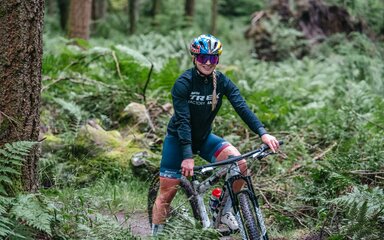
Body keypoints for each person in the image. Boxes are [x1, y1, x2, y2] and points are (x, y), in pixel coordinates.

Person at [151, 34, 280, 235]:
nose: (208, 63)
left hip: (204, 139)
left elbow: (241, 106)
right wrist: (187, 157)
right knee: (166, 194)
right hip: (178, 142)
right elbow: (183, 121)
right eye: (203, 58)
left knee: (240, 165)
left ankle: (225, 211)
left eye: (213, 58)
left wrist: (263, 133)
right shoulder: (183, 83)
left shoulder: (221, 81)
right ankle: (156, 235)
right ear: (195, 58)